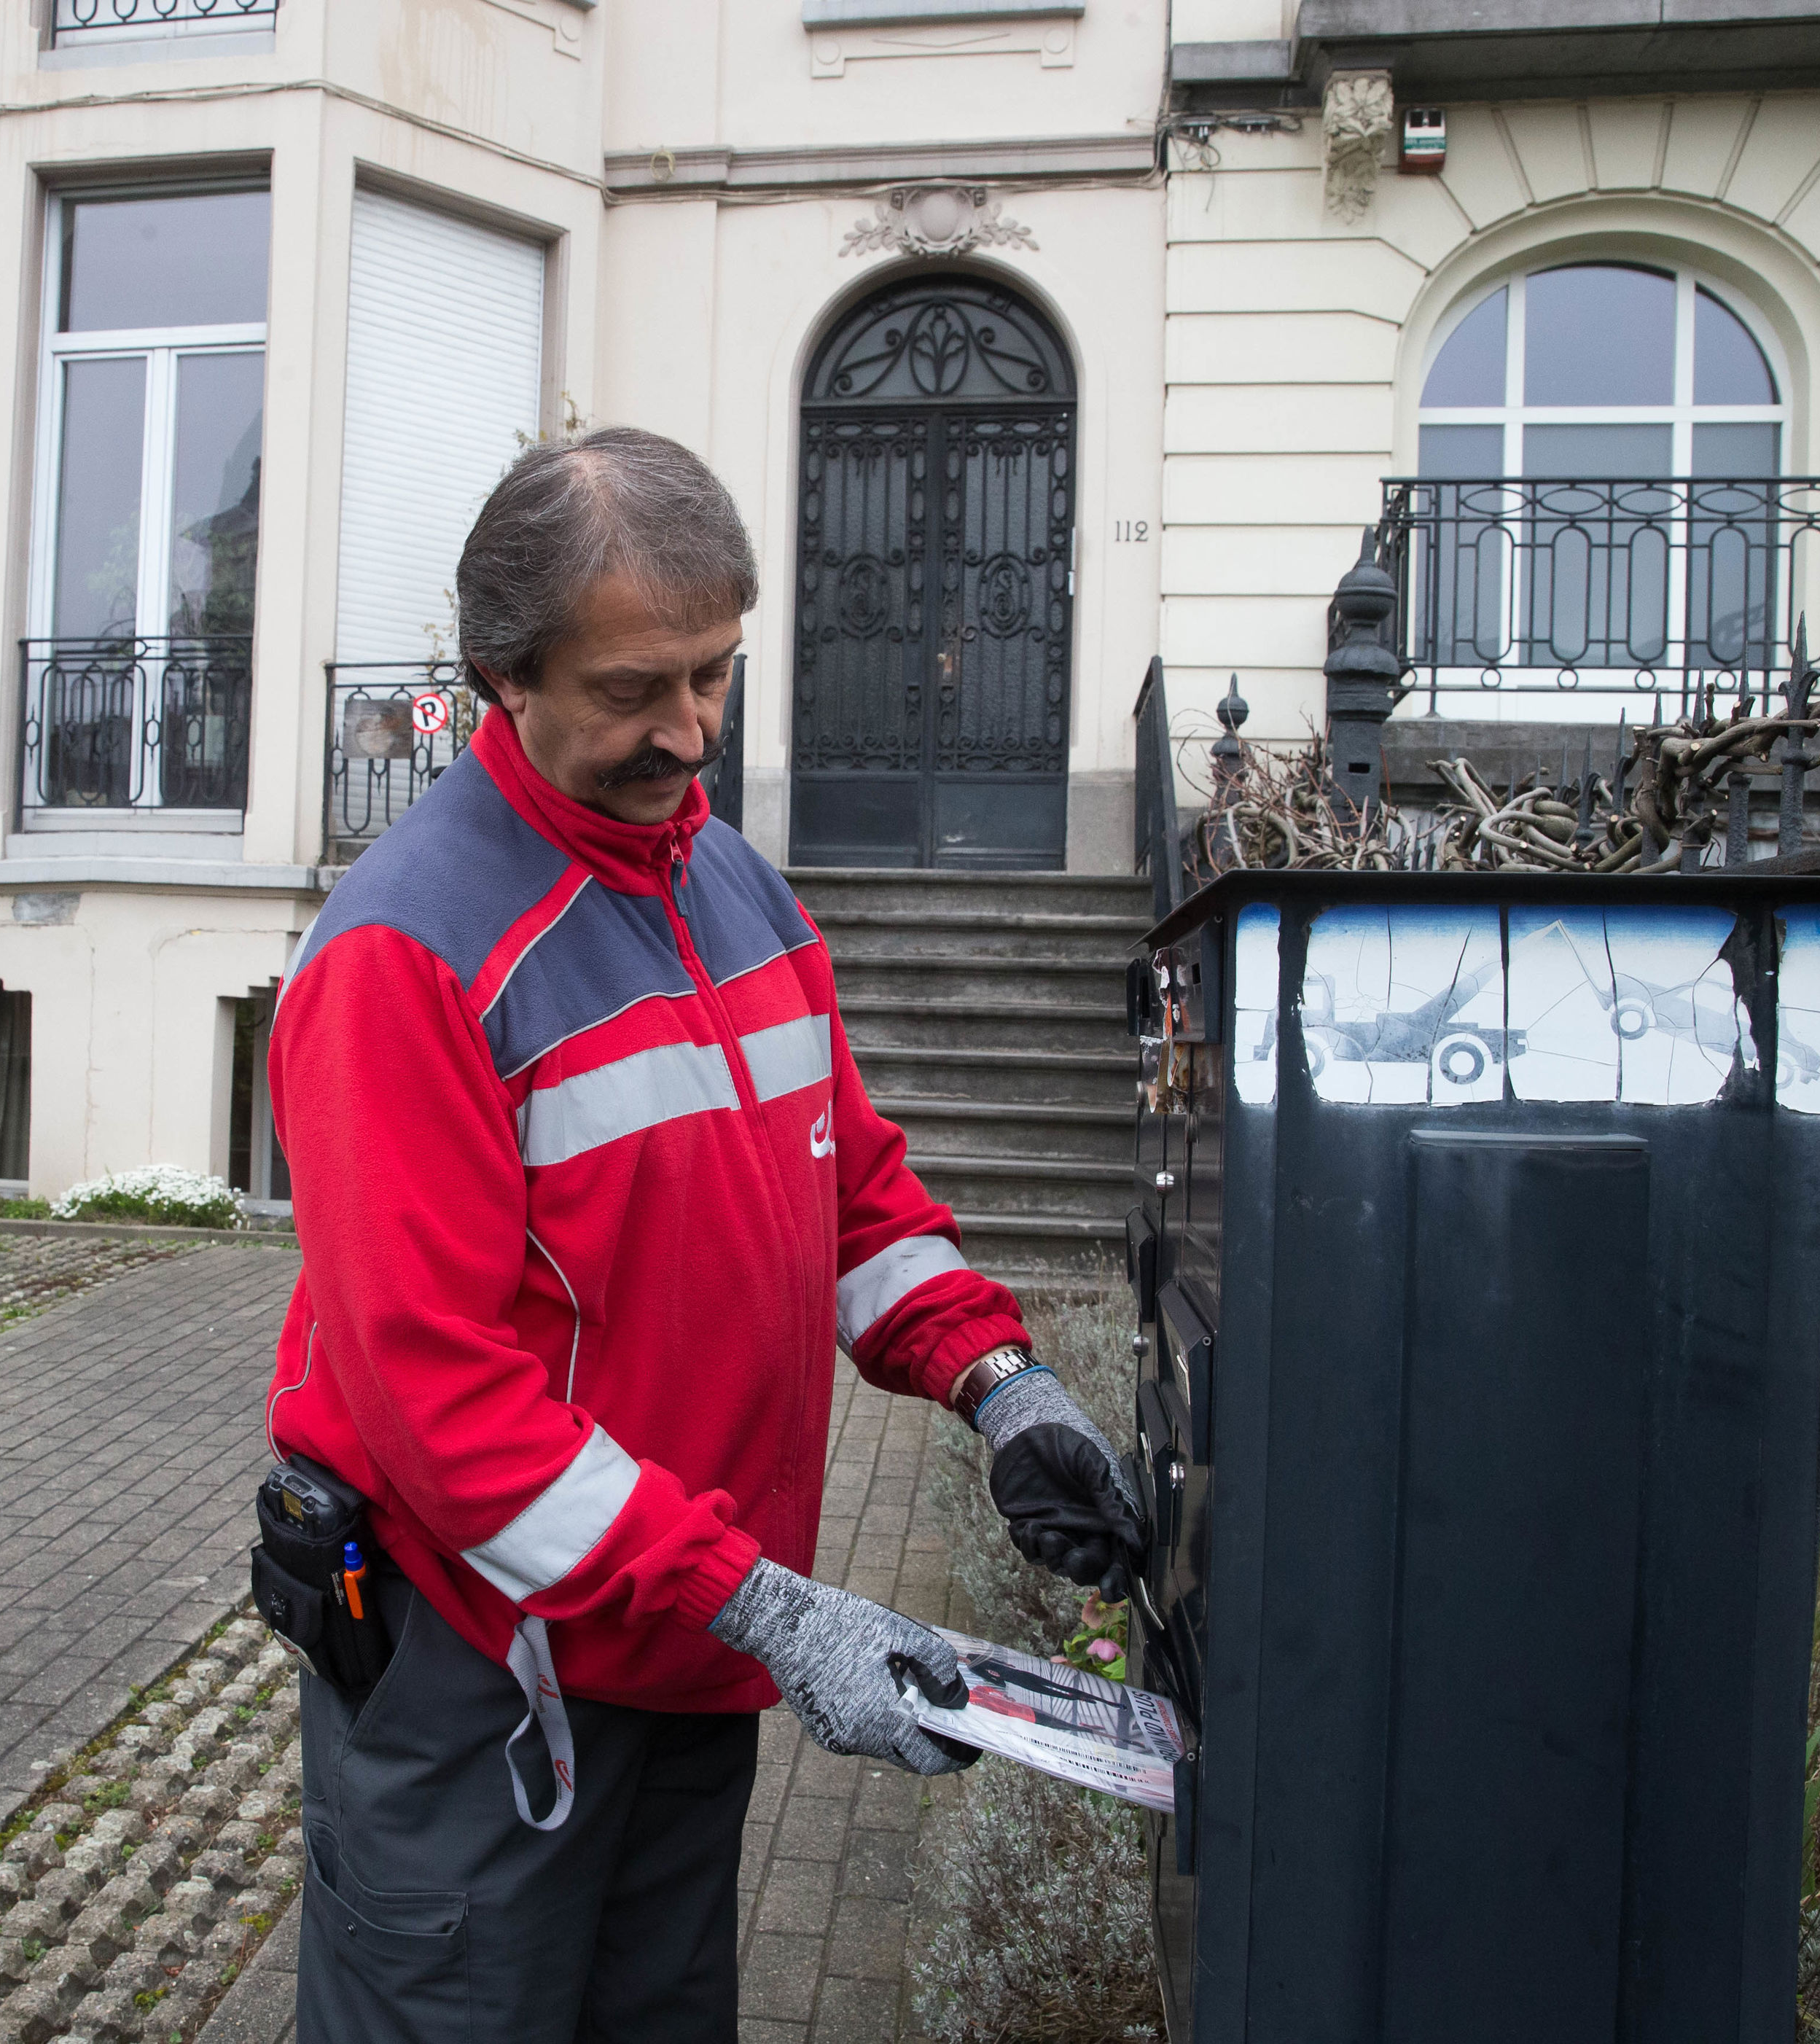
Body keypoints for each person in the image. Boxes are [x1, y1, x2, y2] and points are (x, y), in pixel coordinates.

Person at [264, 425, 1143, 2042]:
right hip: (486, 1681)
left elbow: (852, 1198)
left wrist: (1003, 1381)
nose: (692, 732)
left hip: (680, 1649)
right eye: (635, 691)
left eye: (718, 677)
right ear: (501, 676)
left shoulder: (738, 889)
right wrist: (770, 1604)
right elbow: (441, 1410)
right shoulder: (405, 954)